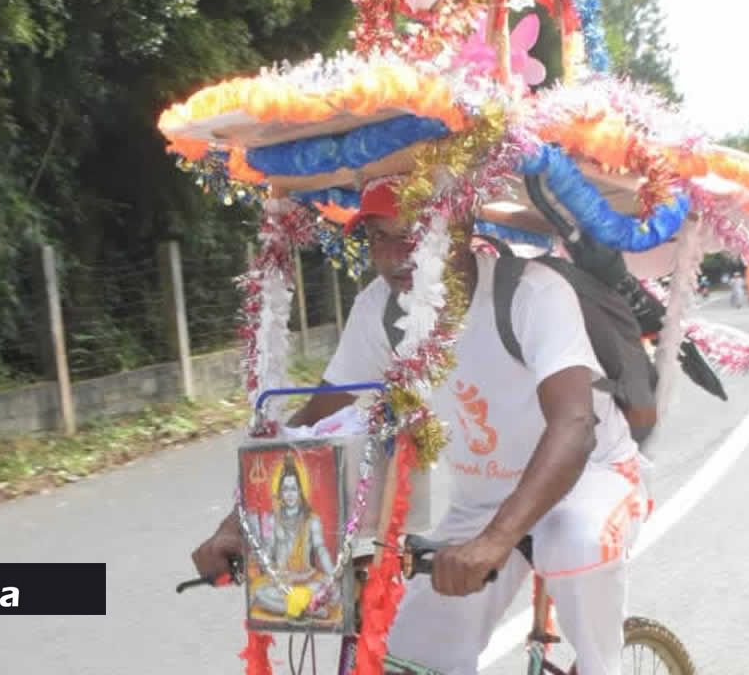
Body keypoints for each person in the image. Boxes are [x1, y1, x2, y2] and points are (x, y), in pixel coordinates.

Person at [191, 176, 647, 675]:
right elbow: (311, 424)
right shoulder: (380, 311)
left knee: (573, 543)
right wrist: (236, 525)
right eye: (379, 238)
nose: (392, 256)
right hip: (480, 507)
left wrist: (496, 540)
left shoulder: (532, 294)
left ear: (459, 226)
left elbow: (575, 425)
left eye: (411, 233)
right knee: (406, 659)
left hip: (589, 482)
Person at [247, 454, 338, 618]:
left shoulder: (312, 520)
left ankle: (299, 606)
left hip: (307, 580)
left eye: (293, 489)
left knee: (333, 592)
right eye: (285, 489)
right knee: (260, 593)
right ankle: (310, 609)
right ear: (280, 492)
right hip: (282, 583)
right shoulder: (274, 519)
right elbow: (269, 549)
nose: (289, 494)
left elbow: (321, 549)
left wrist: (332, 575)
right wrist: (258, 555)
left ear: (300, 491)